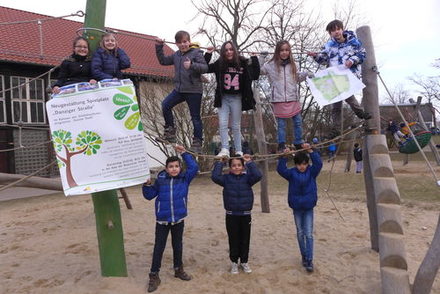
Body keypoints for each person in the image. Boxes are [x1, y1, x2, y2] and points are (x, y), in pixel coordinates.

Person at [142, 144, 198, 293]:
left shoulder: (184, 179)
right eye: (171, 166)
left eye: (176, 166)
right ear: (166, 169)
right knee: (158, 247)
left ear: (180, 168)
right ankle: (154, 275)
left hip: (178, 219)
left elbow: (194, 167)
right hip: (162, 220)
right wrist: (146, 185)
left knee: (177, 245)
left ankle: (178, 269)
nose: (174, 169)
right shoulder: (161, 180)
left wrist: (184, 153)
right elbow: (149, 196)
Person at [308, 19, 371, 137]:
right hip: (334, 76)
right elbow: (323, 59)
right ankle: (336, 129)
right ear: (330, 33)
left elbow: (362, 54)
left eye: (338, 29)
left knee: (348, 97)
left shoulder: (353, 42)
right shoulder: (329, 46)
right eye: (333, 31)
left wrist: (352, 60)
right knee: (335, 104)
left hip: (348, 75)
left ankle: (360, 113)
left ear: (342, 29)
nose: (336, 32)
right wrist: (316, 56)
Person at [155, 31, 208, 152]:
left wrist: (192, 65)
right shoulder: (176, 55)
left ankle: (197, 142)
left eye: (185, 42)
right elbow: (162, 61)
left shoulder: (196, 53)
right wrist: (159, 46)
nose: (183, 44)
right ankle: (170, 133)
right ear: (176, 44)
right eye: (180, 42)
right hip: (179, 90)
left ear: (189, 41)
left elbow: (205, 68)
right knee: (165, 105)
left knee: (195, 116)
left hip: (194, 90)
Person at [205, 41, 260, 157]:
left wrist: (254, 58)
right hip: (223, 98)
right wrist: (208, 54)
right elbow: (205, 68)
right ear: (223, 52)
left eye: (231, 49)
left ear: (234, 51)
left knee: (236, 125)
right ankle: (225, 149)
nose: (229, 52)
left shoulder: (243, 63)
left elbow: (255, 75)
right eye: (226, 50)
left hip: (237, 98)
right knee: (222, 123)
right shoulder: (219, 63)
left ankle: (239, 150)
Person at [211, 154, 262, 274]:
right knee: (233, 239)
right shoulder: (226, 179)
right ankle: (234, 262)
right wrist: (220, 163)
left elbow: (258, 175)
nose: (236, 167)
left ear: (243, 167)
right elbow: (215, 177)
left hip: (245, 214)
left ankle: (244, 261)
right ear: (230, 167)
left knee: (245, 239)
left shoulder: (248, 179)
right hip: (231, 214)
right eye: (233, 165)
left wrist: (249, 162)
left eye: (239, 165)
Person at [277, 143, 323, 273]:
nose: (302, 166)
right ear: (295, 164)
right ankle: (304, 255)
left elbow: (318, 164)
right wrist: (284, 157)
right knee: (300, 233)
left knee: (308, 233)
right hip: (297, 206)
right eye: (299, 164)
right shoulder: (291, 173)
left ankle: (309, 259)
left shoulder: (312, 172)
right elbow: (281, 170)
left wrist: (311, 151)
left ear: (307, 163)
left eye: (304, 164)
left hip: (308, 206)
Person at [260, 40, 312, 151]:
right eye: (282, 50)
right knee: (281, 124)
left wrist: (307, 74)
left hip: (292, 96)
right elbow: (258, 71)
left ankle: (298, 142)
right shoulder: (270, 65)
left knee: (298, 122)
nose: (284, 52)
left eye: (287, 50)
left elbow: (297, 78)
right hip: (278, 98)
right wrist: (261, 58)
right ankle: (281, 144)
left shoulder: (293, 64)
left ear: (290, 51)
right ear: (277, 51)